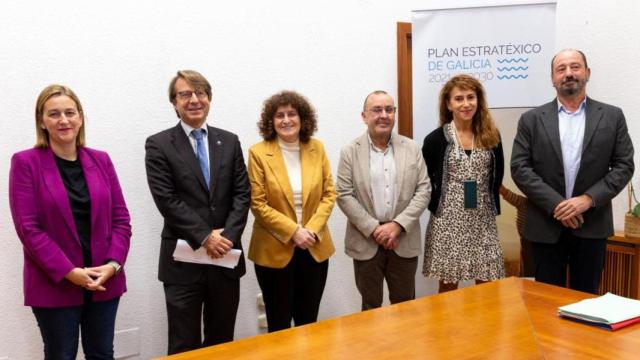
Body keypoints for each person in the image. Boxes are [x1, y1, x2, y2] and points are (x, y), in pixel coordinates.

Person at [9, 84, 132, 359]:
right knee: (60, 355)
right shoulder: (25, 162)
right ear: (41, 120)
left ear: (80, 117)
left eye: (69, 112)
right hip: (55, 282)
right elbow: (28, 228)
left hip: (103, 280)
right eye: (54, 114)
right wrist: (70, 272)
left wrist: (112, 266)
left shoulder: (101, 160)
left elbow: (121, 219)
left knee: (102, 354)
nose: (63, 120)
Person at [511, 49, 634, 294]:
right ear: (552, 78)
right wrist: (558, 205)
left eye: (575, 67)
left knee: (586, 299)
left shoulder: (612, 116)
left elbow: (624, 165)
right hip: (546, 227)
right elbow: (520, 167)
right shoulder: (531, 119)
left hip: (592, 225)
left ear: (587, 73)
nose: (568, 73)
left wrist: (587, 200)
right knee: (544, 301)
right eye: (561, 69)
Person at [145, 70, 250, 354]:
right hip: (183, 263)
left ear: (209, 99)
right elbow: (167, 200)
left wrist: (226, 236)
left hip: (225, 259)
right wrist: (206, 237)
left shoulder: (229, 141)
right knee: (184, 345)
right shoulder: (158, 144)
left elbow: (242, 194)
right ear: (174, 103)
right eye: (185, 94)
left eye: (200, 93)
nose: (194, 100)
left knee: (222, 341)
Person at [247, 91, 336, 332]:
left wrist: (310, 230)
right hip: (274, 250)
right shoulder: (258, 152)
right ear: (271, 121)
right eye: (279, 115)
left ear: (302, 118)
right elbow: (258, 203)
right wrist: (294, 231)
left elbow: (329, 194)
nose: (286, 120)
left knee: (308, 321)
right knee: (278, 323)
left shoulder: (317, 148)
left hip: (313, 246)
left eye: (291, 114)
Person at [336, 90, 430, 310]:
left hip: (402, 239)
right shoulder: (350, 151)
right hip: (366, 240)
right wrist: (374, 229)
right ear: (364, 116)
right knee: (370, 308)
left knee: (405, 307)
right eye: (377, 110)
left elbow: (424, 189)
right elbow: (343, 194)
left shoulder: (412, 148)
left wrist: (397, 225)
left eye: (389, 109)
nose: (384, 115)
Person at [422, 74, 505, 293]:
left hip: (482, 219)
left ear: (479, 101)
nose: (466, 104)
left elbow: (498, 175)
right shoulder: (435, 140)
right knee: (448, 288)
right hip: (448, 220)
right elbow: (428, 178)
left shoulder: (492, 136)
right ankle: (447, 328)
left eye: (471, 97)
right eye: (459, 99)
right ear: (448, 104)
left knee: (487, 286)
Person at [499, 185, 535, 277]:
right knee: (528, 272)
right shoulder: (525, 203)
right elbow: (509, 195)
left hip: (541, 243)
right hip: (526, 241)